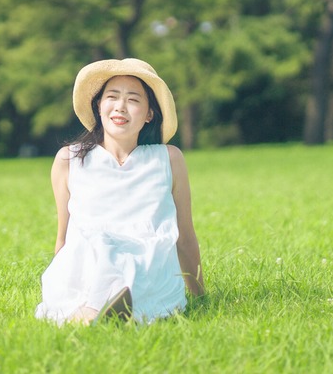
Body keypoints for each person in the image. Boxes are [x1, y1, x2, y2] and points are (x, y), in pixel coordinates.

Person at [35, 58, 205, 325]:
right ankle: (96, 308)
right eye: (112, 97)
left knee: (133, 258)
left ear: (149, 114)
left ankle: (103, 310)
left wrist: (200, 295)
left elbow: (184, 235)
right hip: (87, 265)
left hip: (149, 269)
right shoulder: (69, 160)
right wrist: (59, 285)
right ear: (99, 107)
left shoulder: (169, 159)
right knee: (100, 245)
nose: (121, 106)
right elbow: (65, 238)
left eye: (134, 100)